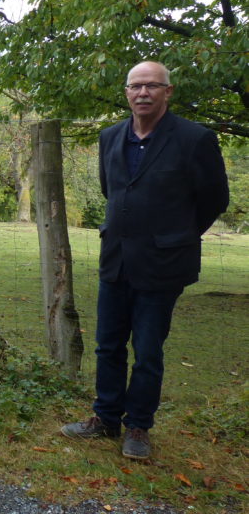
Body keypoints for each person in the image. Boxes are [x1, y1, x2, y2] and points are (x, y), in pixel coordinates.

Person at [62, 61, 229, 459]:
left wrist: (178, 236)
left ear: (167, 92)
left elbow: (214, 199)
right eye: (135, 86)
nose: (142, 93)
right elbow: (112, 190)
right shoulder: (110, 137)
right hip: (116, 258)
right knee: (107, 345)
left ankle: (138, 426)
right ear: (126, 93)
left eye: (151, 86)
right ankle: (105, 418)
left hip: (163, 264)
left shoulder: (194, 139)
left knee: (149, 349)